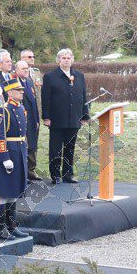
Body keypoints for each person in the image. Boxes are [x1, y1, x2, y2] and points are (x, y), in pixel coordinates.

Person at [41, 48, 89, 184]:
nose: (66, 60)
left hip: (74, 118)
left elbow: (83, 96)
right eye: (63, 58)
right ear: (58, 60)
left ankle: (68, 175)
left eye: (68, 58)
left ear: (72, 60)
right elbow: (46, 98)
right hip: (57, 119)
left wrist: (85, 115)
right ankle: (55, 175)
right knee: (55, 149)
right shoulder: (50, 77)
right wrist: (46, 117)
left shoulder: (79, 76)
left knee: (70, 148)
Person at [0, 78, 30, 241]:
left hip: (19, 151)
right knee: (3, 192)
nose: (21, 92)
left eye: (21, 90)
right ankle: (1, 229)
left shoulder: (21, 108)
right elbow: (0, 136)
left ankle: (12, 226)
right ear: (10, 92)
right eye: (18, 90)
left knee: (14, 190)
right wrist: (4, 157)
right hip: (9, 153)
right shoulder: (3, 110)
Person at [14, 60, 42, 181]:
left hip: (32, 119)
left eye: (27, 68)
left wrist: (37, 119)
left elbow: (34, 102)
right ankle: (22, 174)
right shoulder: (15, 82)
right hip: (22, 119)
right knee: (24, 146)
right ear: (16, 70)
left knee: (32, 145)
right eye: (23, 69)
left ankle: (30, 171)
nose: (26, 71)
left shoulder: (29, 81)